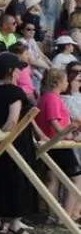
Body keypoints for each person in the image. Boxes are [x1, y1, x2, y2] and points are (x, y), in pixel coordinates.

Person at [0, 52, 43, 234]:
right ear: (10, 71)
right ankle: (15, 225)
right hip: (16, 141)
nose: (20, 72)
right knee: (17, 179)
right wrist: (2, 139)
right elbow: (13, 120)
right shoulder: (15, 92)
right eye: (17, 69)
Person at [36, 68, 81, 221]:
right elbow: (54, 121)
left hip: (51, 142)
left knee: (53, 177)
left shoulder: (44, 98)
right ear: (57, 83)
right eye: (65, 80)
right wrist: (68, 135)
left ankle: (53, 215)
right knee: (76, 178)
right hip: (58, 143)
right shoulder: (53, 98)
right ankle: (66, 217)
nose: (67, 83)